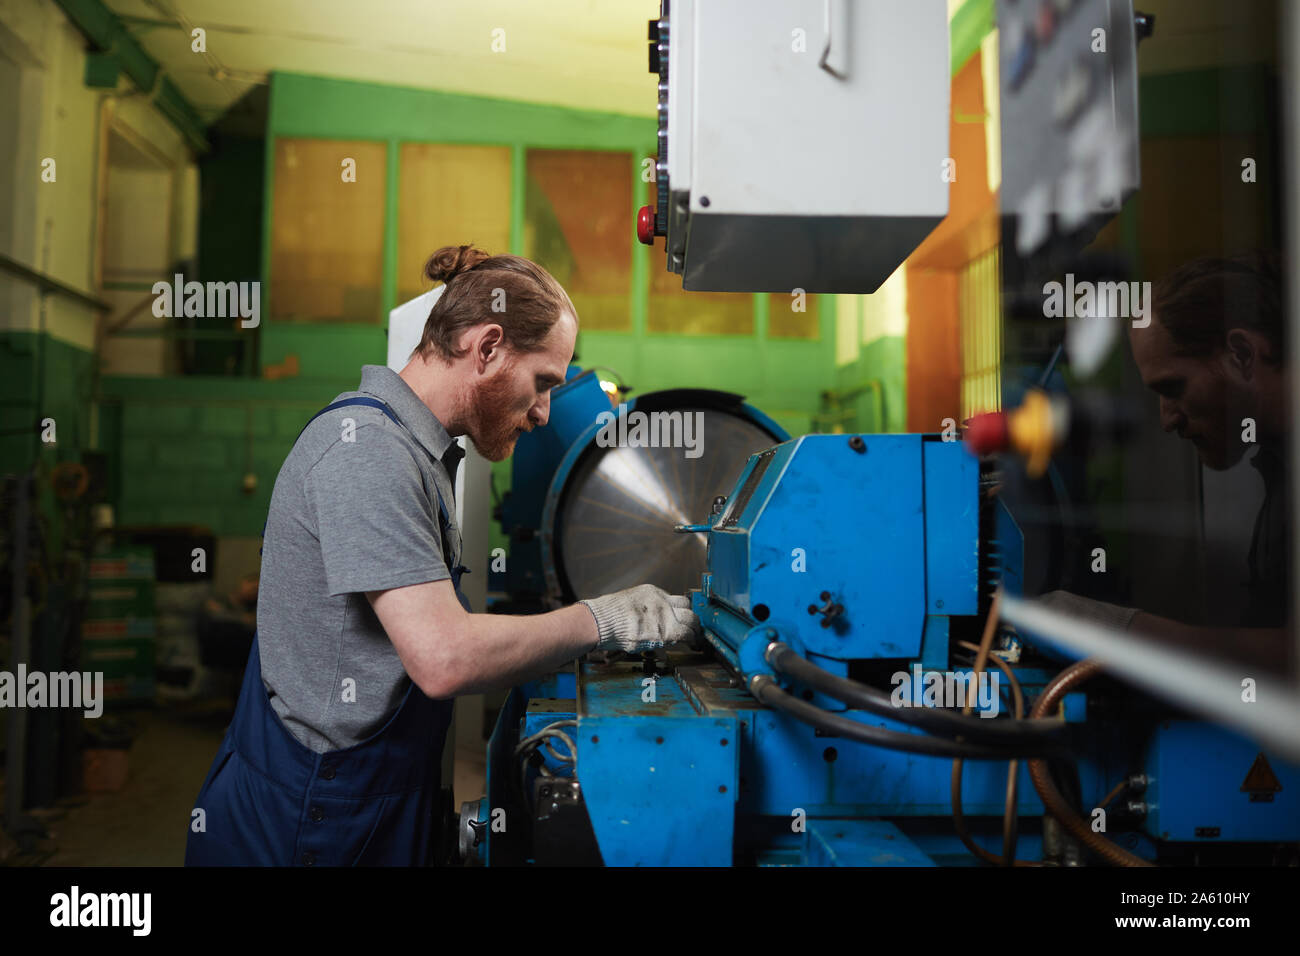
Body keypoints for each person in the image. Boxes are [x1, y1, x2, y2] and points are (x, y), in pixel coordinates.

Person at [186, 245, 700, 866]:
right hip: (311, 822)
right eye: (542, 384)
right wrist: (609, 620)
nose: (543, 413)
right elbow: (443, 658)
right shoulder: (368, 452)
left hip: (365, 802)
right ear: (486, 349)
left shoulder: (416, 455)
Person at [1044, 252, 1291, 673]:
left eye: (1173, 387)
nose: (1167, 419)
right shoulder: (1279, 473)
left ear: (1243, 355)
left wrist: (1113, 629)